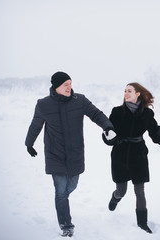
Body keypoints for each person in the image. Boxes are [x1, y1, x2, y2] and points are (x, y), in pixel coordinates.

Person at [25, 71, 116, 237]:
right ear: (56, 86)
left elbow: (96, 114)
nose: (69, 87)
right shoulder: (43, 104)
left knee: (71, 185)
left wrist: (107, 126)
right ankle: (66, 225)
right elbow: (35, 126)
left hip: (75, 153)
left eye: (70, 83)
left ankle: (61, 202)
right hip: (55, 154)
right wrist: (29, 144)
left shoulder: (79, 100)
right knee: (60, 191)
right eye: (65, 84)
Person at [102, 82, 160, 233]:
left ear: (138, 94)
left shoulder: (146, 114)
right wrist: (108, 136)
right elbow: (109, 134)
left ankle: (142, 223)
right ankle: (115, 198)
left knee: (139, 191)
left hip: (138, 155)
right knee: (122, 190)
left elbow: (156, 133)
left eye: (129, 91)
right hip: (120, 154)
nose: (125, 94)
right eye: (125, 91)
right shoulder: (117, 112)